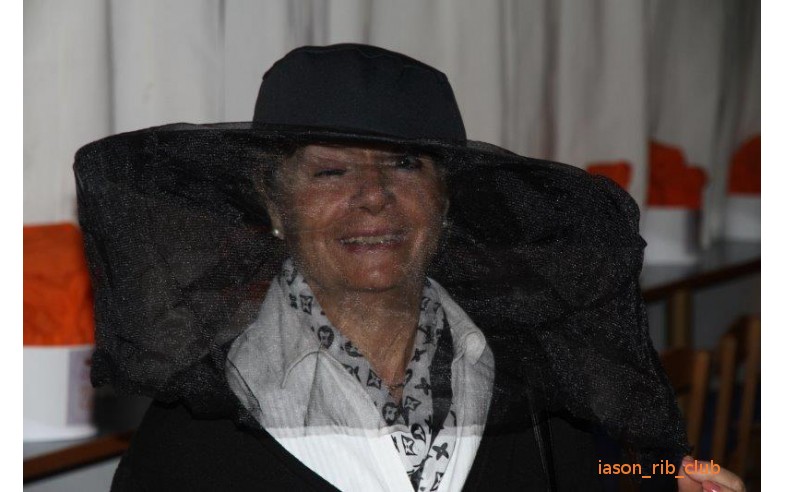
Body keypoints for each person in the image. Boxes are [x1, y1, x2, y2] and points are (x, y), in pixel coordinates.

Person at [75, 44, 746, 491]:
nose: (373, 197)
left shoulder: (534, 366)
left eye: (404, 165)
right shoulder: (197, 422)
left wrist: (672, 479)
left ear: (445, 196)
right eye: (330, 172)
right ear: (275, 202)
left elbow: (605, 471)